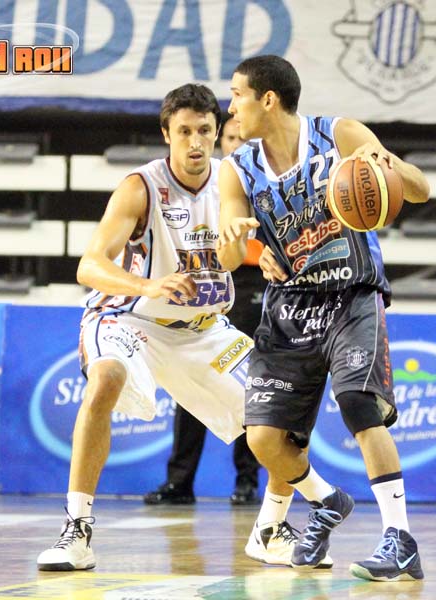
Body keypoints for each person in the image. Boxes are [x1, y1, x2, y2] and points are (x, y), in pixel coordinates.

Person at [36, 84, 314, 571]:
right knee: (105, 379)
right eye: (184, 131)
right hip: (129, 317)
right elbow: (89, 266)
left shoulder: (235, 183)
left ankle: (270, 530)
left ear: (217, 133)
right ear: (167, 134)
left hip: (202, 329)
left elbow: (250, 246)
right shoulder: (140, 186)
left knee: (283, 412)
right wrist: (147, 285)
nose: (195, 141)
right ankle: (76, 530)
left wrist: (271, 255)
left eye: (204, 130)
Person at [216, 55, 431, 582]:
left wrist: (387, 164)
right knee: (264, 439)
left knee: (359, 405)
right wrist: (235, 238)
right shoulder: (236, 168)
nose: (231, 107)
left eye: (237, 94)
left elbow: (420, 189)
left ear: (268, 99)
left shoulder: (338, 135)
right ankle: (327, 501)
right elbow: (227, 256)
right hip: (289, 306)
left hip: (351, 292)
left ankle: (400, 540)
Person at [143, 117, 262, 507]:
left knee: (248, 382)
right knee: (189, 381)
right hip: (202, 282)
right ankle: (180, 481)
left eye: (243, 138)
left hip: (252, 283)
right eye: (230, 137)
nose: (236, 144)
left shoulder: (261, 182)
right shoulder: (204, 183)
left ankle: (247, 480)